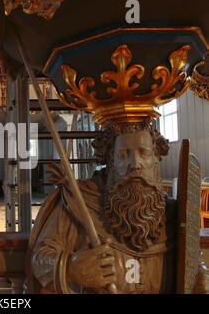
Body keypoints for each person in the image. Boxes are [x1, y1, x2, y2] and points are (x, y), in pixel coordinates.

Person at [28, 119, 209, 293]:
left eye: (143, 153)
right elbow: (40, 258)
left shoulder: (173, 213)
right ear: (111, 162)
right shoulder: (79, 202)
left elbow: (191, 259)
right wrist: (70, 267)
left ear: (156, 159)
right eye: (123, 155)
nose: (135, 165)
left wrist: (200, 279)